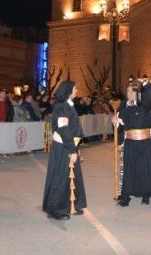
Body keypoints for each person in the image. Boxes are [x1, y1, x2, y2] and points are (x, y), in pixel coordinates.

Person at [42, 81, 87, 220]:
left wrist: (75, 148)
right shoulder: (61, 107)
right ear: (68, 91)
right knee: (60, 177)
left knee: (71, 176)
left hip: (69, 145)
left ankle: (69, 205)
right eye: (75, 88)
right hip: (64, 147)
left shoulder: (68, 105)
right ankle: (54, 209)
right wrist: (72, 149)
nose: (76, 90)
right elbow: (63, 129)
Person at [112, 80, 151, 206]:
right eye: (128, 91)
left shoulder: (144, 105)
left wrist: (144, 83)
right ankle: (125, 196)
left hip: (145, 142)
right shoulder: (123, 108)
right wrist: (116, 122)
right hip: (130, 143)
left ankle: (146, 194)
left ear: (137, 92)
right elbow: (121, 128)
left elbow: (150, 93)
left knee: (145, 168)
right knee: (129, 169)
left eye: (132, 90)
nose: (129, 93)